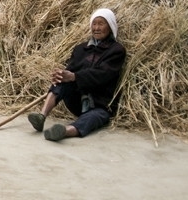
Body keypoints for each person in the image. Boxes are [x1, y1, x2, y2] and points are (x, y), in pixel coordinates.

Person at [28, 8, 127, 141]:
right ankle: (41, 116)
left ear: (110, 27)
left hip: (99, 103)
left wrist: (75, 76)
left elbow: (103, 74)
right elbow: (70, 71)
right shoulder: (81, 49)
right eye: (94, 23)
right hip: (77, 100)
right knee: (62, 80)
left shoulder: (116, 51)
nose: (96, 28)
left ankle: (64, 131)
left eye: (101, 24)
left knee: (95, 117)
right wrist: (62, 75)